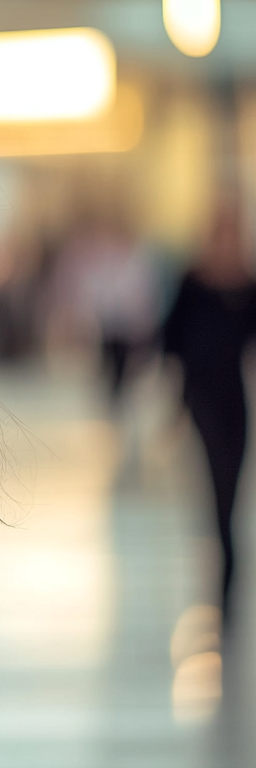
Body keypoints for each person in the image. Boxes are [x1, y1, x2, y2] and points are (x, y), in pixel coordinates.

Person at [163, 203, 255, 621]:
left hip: (233, 399)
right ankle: (223, 577)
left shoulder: (246, 285)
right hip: (200, 398)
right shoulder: (193, 282)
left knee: (230, 492)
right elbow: (172, 340)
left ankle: (228, 578)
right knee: (214, 487)